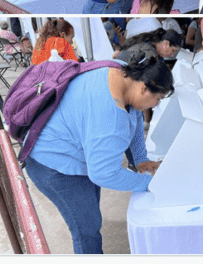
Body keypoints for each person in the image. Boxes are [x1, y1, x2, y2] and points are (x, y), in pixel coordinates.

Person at [25, 48, 174, 253]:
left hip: (74, 147)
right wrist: (151, 183)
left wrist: (140, 158)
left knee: (91, 215)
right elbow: (104, 174)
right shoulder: (111, 117)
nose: (156, 105)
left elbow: (136, 116)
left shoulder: (123, 71)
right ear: (143, 89)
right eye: (157, 99)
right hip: (52, 163)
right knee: (87, 228)